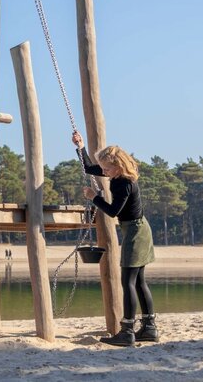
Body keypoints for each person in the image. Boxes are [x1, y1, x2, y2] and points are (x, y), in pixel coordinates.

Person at [72, 131, 158, 347]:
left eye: (107, 169)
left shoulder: (123, 183)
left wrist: (95, 198)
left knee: (128, 281)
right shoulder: (118, 177)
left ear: (118, 166)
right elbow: (88, 168)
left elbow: (112, 210)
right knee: (138, 281)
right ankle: (149, 328)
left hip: (136, 233)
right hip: (138, 229)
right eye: (103, 169)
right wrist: (80, 146)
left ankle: (127, 331)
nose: (104, 172)